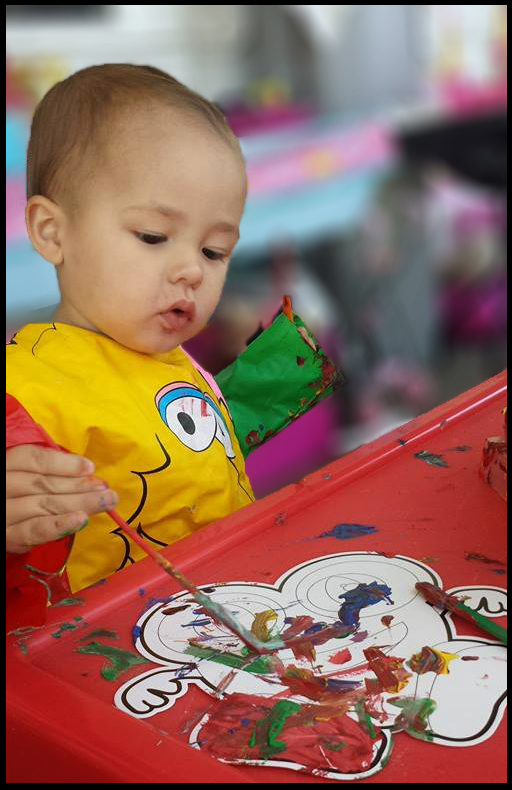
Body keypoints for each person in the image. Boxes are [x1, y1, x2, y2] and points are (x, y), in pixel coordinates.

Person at [6, 63, 254, 595]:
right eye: (152, 235)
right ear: (53, 232)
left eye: (215, 251)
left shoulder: (175, 361)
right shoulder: (25, 387)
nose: (192, 269)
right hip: (109, 659)